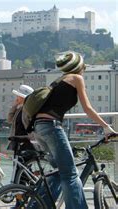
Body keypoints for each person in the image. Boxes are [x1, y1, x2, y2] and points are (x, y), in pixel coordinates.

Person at [31, 51, 117, 208]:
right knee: (70, 175)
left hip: (39, 128)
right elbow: (88, 108)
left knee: (58, 172)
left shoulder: (59, 80)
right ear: (78, 67)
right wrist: (106, 127)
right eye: (83, 66)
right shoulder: (77, 78)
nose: (84, 69)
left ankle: (37, 206)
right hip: (51, 126)